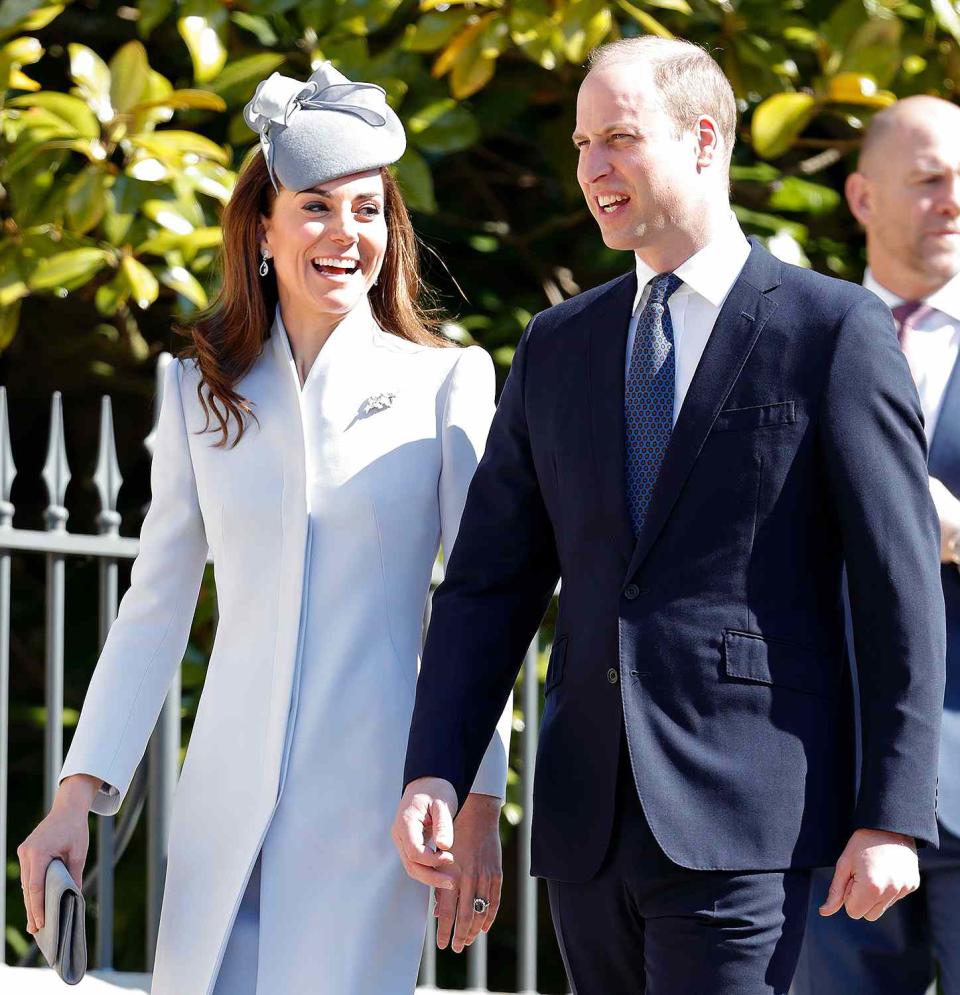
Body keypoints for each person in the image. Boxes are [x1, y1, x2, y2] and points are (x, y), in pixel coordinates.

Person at [392, 36, 946, 994]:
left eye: (617, 137)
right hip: (586, 817)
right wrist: (437, 767)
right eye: (578, 144)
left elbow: (899, 585)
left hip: (748, 813)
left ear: (701, 140)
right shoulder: (558, 344)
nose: (591, 168)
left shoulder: (831, 330)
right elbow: (490, 581)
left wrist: (891, 813)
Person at [16, 62, 511, 995]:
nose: (345, 234)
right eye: (317, 207)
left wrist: (478, 796)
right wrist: (78, 796)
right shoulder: (196, 393)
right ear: (264, 231)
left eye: (367, 210)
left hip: (378, 813)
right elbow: (153, 611)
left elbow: (479, 606)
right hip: (222, 814)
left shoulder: (449, 382)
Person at [794, 95, 960, 995]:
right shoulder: (800, 336)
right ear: (861, 198)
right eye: (930, 180)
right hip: (832, 784)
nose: (954, 201)